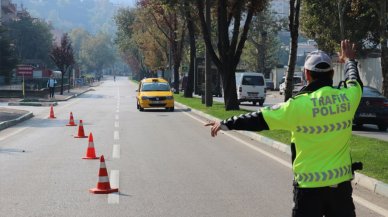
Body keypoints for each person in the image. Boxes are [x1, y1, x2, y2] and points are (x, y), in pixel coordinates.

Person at [205, 40, 362, 217]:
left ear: (307, 75)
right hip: (340, 190)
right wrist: (349, 59)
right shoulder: (348, 98)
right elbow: (354, 80)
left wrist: (227, 123)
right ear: (332, 74)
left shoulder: (296, 106)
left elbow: (258, 119)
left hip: (308, 191)